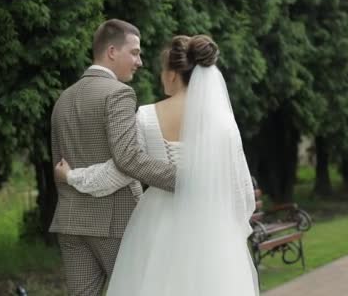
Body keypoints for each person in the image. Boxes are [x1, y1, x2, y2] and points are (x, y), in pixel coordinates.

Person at [55, 35, 259, 295]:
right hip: (212, 224)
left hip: (159, 222)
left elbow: (119, 171)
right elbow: (241, 188)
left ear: (173, 74)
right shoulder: (224, 123)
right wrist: (230, 229)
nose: (161, 76)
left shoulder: (148, 116)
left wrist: (72, 176)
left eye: (163, 70)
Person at [49, 19, 177, 296]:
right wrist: (182, 179)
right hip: (115, 221)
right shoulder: (118, 93)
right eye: (134, 52)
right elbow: (128, 158)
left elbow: (59, 163)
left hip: (71, 222)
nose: (139, 61)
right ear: (111, 52)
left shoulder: (64, 99)